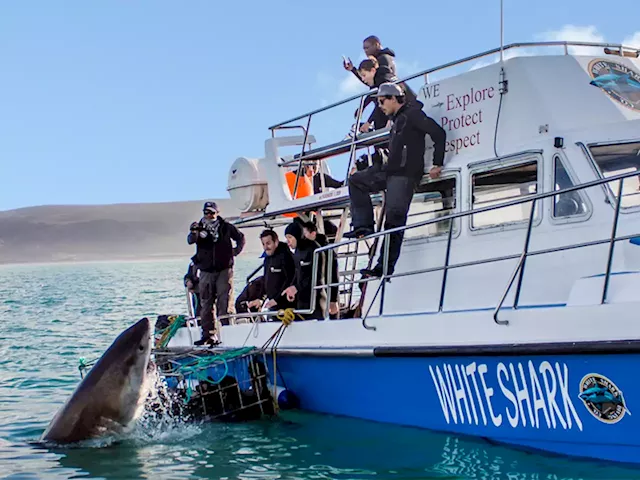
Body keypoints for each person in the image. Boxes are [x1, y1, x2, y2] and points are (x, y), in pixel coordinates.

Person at [344, 83, 446, 278]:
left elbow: (437, 133)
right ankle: (363, 226)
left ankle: (384, 267)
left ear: (393, 98)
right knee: (356, 181)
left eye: (382, 101)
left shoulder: (413, 115)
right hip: (391, 170)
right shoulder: (398, 119)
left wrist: (437, 163)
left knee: (394, 221)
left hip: (405, 174)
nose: (380, 106)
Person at [188, 201, 245, 345]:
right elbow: (190, 240)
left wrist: (234, 252)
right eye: (206, 213)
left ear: (217, 213)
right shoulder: (199, 228)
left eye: (212, 213)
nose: (209, 215)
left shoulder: (226, 227)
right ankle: (208, 335)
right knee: (206, 304)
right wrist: (194, 232)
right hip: (206, 271)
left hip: (224, 270)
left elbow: (240, 238)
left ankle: (228, 333)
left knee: (224, 301)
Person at [356, 57, 417, 134]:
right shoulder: (384, 77)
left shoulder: (383, 81)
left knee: (381, 113)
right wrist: (362, 108)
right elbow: (371, 96)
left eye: (364, 75)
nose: (363, 79)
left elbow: (381, 103)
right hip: (411, 106)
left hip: (409, 109)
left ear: (372, 71)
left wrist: (368, 123)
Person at [281, 222, 326, 319]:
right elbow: (298, 273)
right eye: (287, 238)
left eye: (290, 237)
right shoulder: (298, 251)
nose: (288, 241)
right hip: (302, 301)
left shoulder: (314, 249)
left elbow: (317, 276)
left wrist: (296, 288)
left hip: (316, 300)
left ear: (297, 236)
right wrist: (292, 289)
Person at [246, 229, 296, 313]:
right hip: (273, 304)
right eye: (263, 244)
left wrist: (278, 300)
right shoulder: (267, 259)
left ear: (276, 242)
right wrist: (261, 299)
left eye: (268, 243)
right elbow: (266, 280)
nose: (265, 247)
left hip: (286, 304)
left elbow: (290, 280)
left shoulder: (286, 257)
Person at [302, 221, 339, 317]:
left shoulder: (324, 250)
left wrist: (333, 299)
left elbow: (333, 274)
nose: (304, 237)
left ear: (313, 233)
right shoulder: (313, 249)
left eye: (305, 233)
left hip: (325, 288)